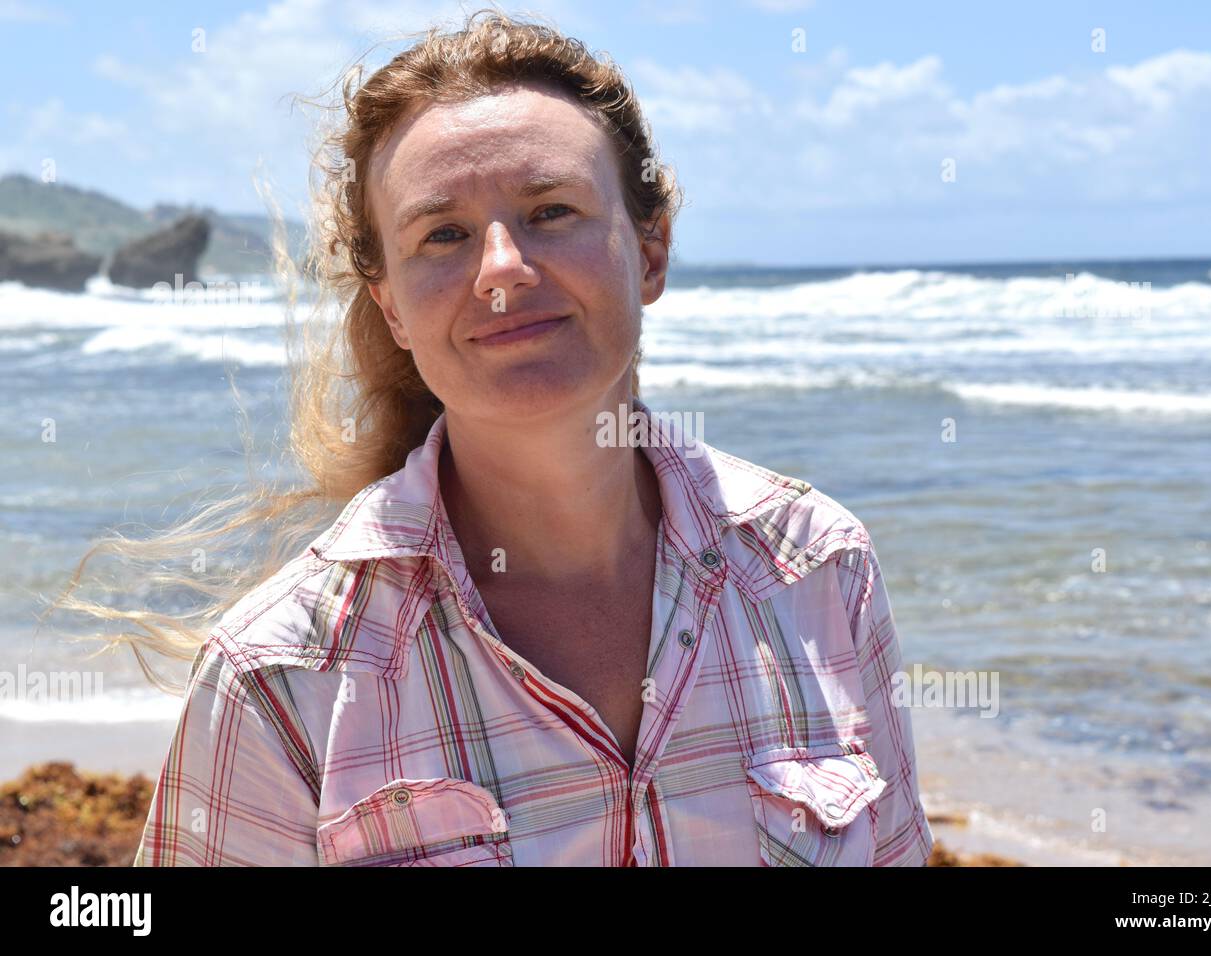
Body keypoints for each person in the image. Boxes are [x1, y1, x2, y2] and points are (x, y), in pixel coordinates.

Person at [125, 9, 933, 866]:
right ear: (392, 302)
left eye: (551, 211)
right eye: (444, 234)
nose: (503, 266)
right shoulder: (283, 675)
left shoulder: (818, 570)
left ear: (651, 249)